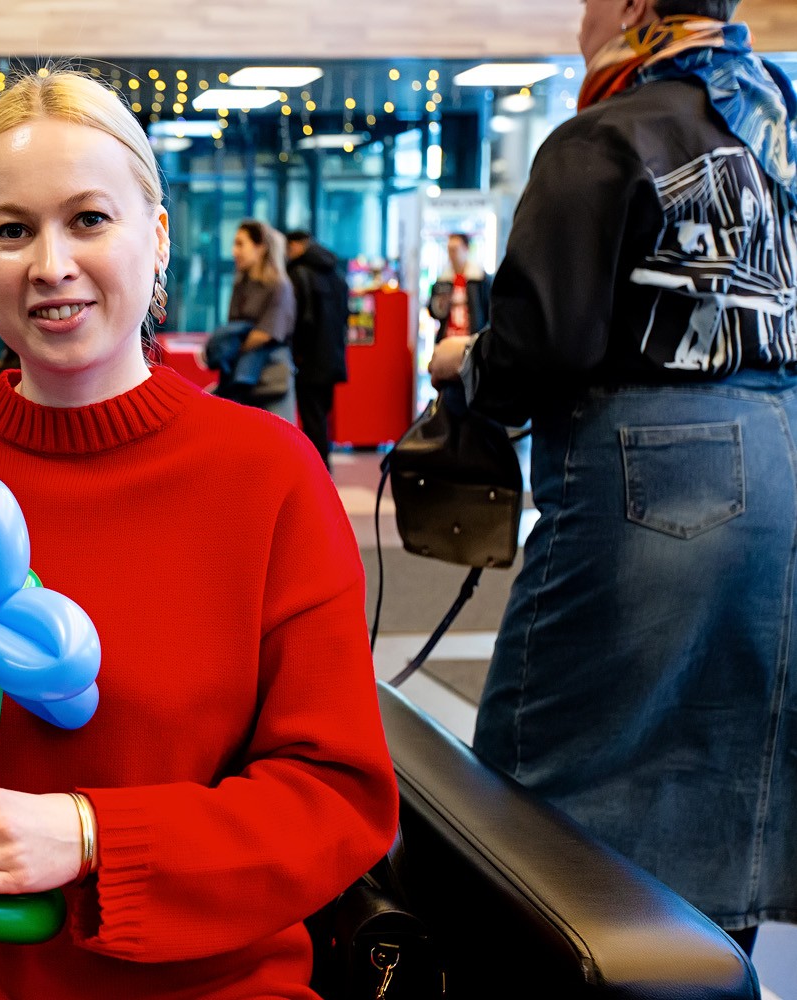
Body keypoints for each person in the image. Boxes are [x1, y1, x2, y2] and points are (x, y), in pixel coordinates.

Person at [0, 70, 397, 1000]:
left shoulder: (269, 476)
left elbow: (335, 796)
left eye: (89, 219)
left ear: (158, 235)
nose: (50, 264)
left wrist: (93, 835)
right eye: (11, 230)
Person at [428, 0, 796, 954]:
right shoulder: (775, 131)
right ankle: (711, 972)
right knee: (736, 765)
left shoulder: (606, 136)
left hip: (658, 471)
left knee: (547, 773)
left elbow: (541, 345)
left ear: (634, 7)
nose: (581, 17)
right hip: (784, 454)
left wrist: (466, 361)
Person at [203, 220, 295, 406]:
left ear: (260, 248)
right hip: (240, 379)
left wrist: (230, 346)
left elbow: (266, 333)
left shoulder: (279, 286)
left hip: (270, 381)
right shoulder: (240, 284)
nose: (234, 252)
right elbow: (233, 326)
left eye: (240, 244)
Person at [286, 230, 350, 469]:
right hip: (332, 356)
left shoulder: (299, 273)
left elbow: (302, 320)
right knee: (321, 416)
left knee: (312, 418)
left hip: (309, 358)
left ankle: (318, 470)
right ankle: (323, 466)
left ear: (297, 246)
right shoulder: (335, 272)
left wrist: (297, 354)